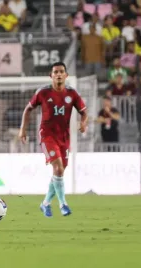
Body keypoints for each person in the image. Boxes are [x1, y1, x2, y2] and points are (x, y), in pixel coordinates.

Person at [18, 62, 88, 217]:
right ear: (51, 76)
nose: (58, 74)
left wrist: (83, 123)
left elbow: (83, 111)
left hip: (64, 137)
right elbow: (28, 109)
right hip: (47, 136)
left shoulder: (72, 94)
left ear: (66, 75)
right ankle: (63, 204)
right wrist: (23, 129)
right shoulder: (43, 93)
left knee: (59, 173)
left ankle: (45, 204)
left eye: (61, 71)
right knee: (58, 168)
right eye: (55, 72)